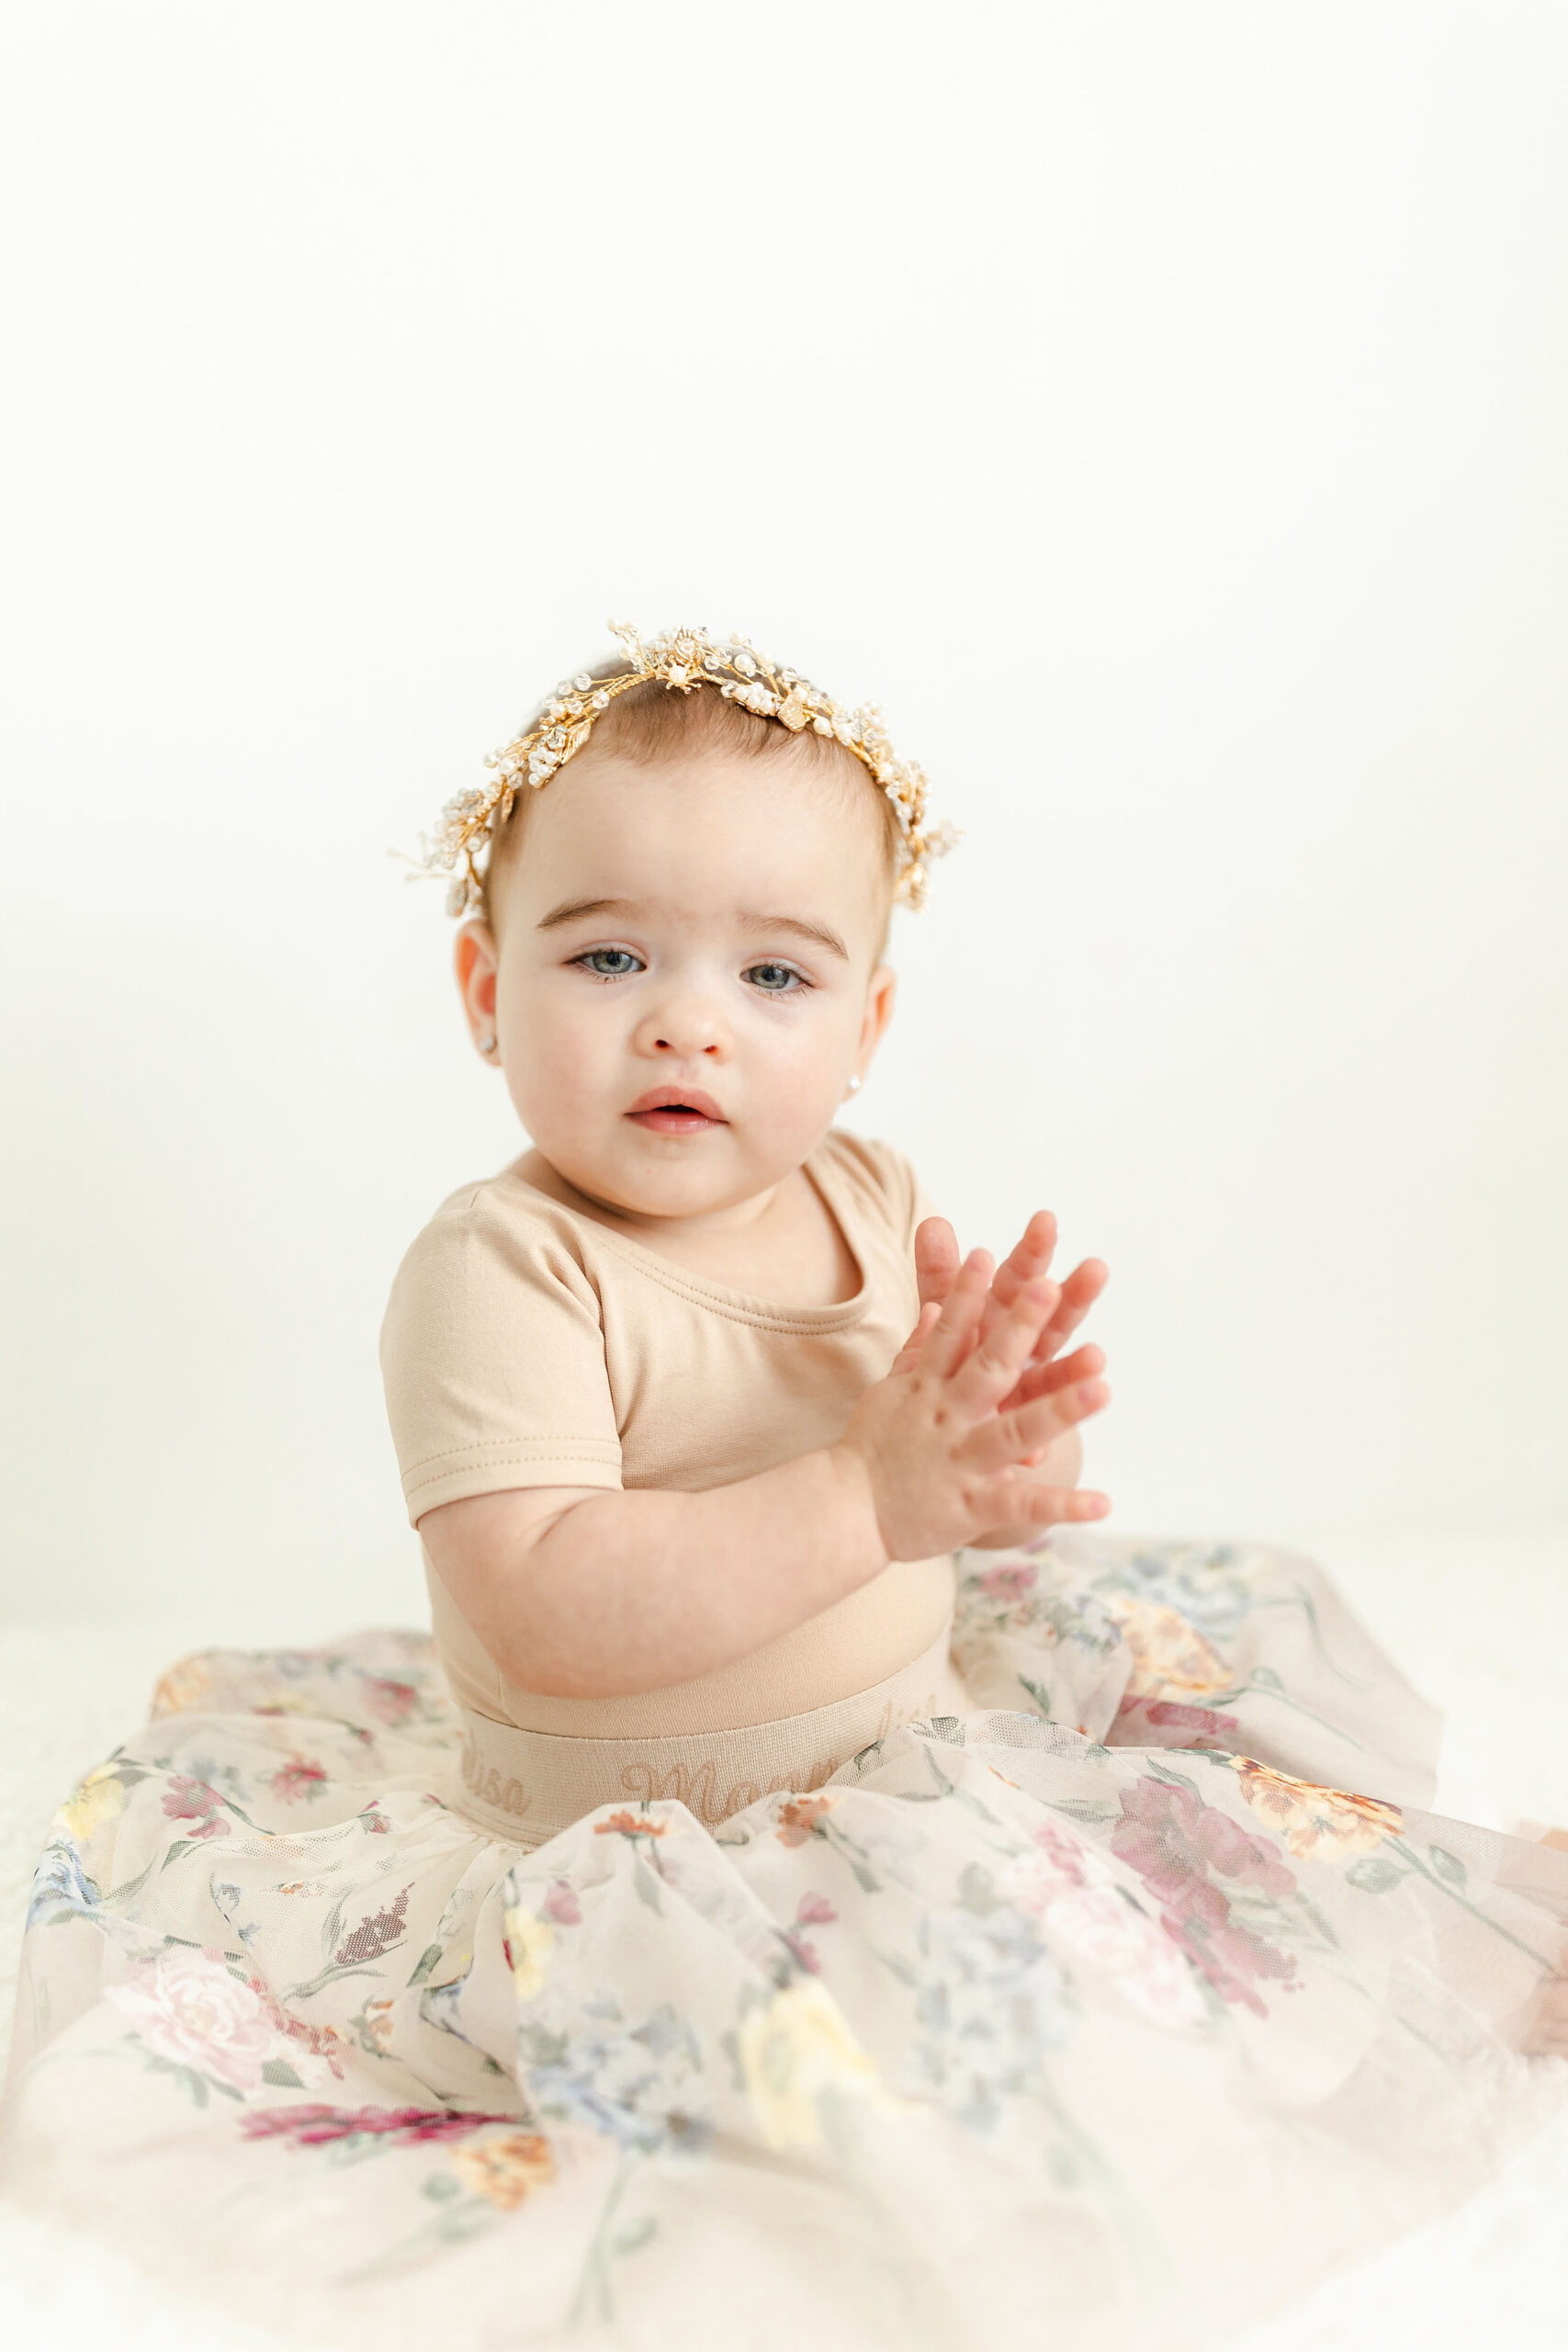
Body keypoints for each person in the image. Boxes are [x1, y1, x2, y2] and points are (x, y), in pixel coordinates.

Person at [4, 622, 1566, 2352]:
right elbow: (548, 1606)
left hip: (914, 1741)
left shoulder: (868, 1193)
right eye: (607, 957)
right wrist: (872, 1504)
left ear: (867, 1022)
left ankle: (1473, 1963)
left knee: (1188, 1905)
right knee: (874, 2070)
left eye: (775, 976)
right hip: (639, 1839)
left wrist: (992, 1468)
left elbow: (926, 1479)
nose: (689, 1021)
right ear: (482, 990)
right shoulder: (504, 1270)